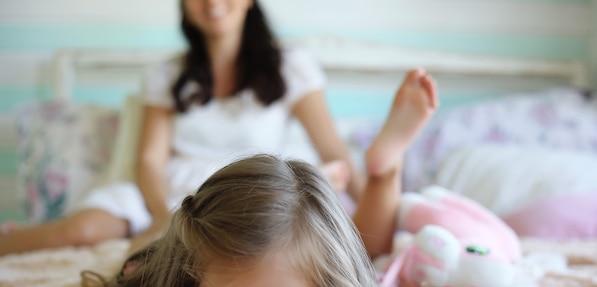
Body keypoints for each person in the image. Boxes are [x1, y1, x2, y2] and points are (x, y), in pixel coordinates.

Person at [73, 68, 439, 287]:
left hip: (289, 209)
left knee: (363, 255)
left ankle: (385, 170)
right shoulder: (160, 283)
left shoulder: (289, 68)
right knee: (155, 238)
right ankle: (359, 179)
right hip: (198, 211)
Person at [0, 0, 363, 257]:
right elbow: (149, 162)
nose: (211, 2)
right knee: (81, 230)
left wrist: (378, 208)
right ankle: (12, 239)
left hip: (245, 194)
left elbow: (334, 152)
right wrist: (164, 217)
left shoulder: (291, 67)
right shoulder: (166, 74)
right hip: (165, 194)